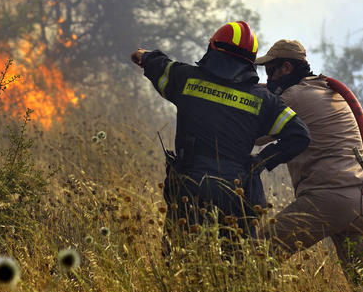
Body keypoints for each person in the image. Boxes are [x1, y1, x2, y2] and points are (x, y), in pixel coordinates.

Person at [131, 21, 310, 244]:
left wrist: (144, 56)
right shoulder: (264, 101)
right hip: (238, 192)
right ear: (250, 62)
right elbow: (299, 136)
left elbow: (159, 64)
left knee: (180, 258)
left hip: (190, 189)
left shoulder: (186, 78)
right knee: (234, 269)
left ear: (213, 50)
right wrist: (261, 161)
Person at [254, 39, 363, 277]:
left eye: (270, 71)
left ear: (286, 68)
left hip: (328, 199)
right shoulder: (326, 90)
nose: (270, 77)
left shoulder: (293, 96)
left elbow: (256, 136)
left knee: (257, 253)